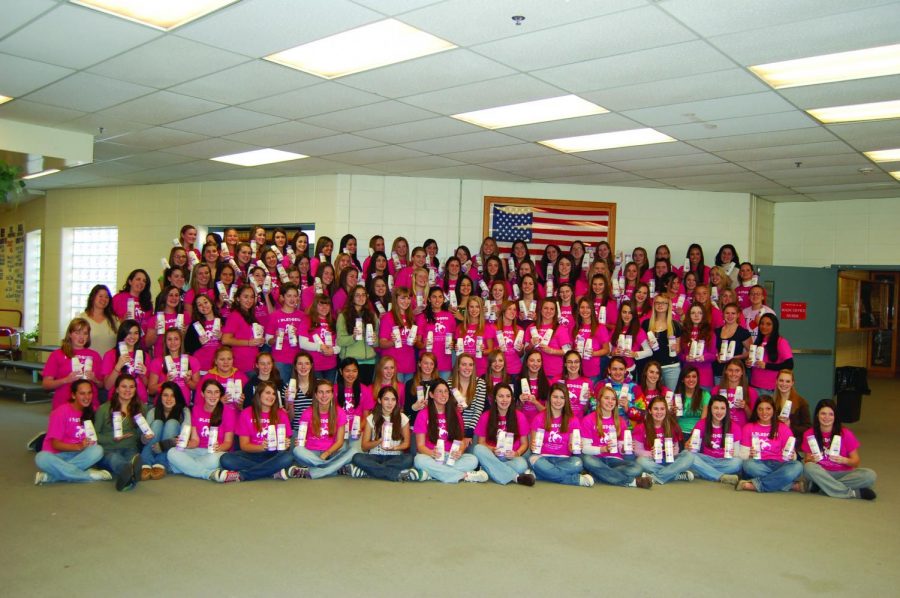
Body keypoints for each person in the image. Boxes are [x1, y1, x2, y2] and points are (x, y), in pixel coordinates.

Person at [216, 381, 296, 482]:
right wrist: (262, 447)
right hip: (252, 454)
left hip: (274, 455)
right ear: (259, 394)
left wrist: (285, 444)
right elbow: (244, 445)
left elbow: (285, 445)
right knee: (226, 459)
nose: (271, 396)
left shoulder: (281, 414)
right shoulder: (247, 413)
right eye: (267, 393)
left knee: (287, 457)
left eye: (273, 394)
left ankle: (243, 475)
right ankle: (273, 470)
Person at [34, 380, 109, 486]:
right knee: (41, 458)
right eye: (82, 393)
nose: (87, 397)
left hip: (80, 455)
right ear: (73, 395)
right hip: (58, 456)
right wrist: (78, 446)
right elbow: (55, 444)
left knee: (98, 450)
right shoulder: (60, 412)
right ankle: (87, 475)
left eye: (89, 393)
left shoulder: (94, 411)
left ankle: (51, 477)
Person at [410, 379, 484, 483]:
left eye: (445, 391)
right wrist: (432, 453)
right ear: (431, 394)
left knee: (472, 460)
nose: (443, 394)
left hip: (451, 457)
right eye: (439, 391)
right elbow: (420, 446)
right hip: (432, 456)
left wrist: (460, 451)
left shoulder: (455, 414)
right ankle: (465, 476)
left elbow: (461, 440)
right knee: (419, 460)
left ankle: (432, 474)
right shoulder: (423, 414)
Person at [801, 399, 877, 500]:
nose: (827, 417)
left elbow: (856, 462)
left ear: (835, 416)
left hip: (842, 473)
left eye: (831, 414)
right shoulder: (809, 434)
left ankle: (822, 486)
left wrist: (844, 460)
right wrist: (811, 459)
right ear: (817, 415)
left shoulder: (846, 433)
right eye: (823, 413)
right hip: (821, 472)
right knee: (808, 468)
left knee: (870, 475)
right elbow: (807, 461)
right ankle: (851, 493)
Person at [579, 385, 650, 489]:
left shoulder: (620, 421)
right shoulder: (588, 419)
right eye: (606, 398)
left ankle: (597, 475)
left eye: (613, 399)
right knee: (586, 459)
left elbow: (621, 449)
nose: (610, 401)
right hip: (596, 458)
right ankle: (631, 482)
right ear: (599, 400)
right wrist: (603, 449)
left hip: (615, 460)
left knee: (637, 468)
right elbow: (585, 448)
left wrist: (625, 449)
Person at [167, 379, 237, 482]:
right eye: (209, 392)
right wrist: (186, 444)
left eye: (216, 392)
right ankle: (208, 473)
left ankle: (183, 467)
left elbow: (228, 443)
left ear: (220, 394)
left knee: (214, 460)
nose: (213, 396)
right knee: (172, 452)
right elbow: (195, 441)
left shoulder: (228, 412)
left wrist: (219, 447)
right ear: (202, 394)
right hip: (197, 450)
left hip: (216, 452)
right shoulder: (196, 409)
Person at [528, 382, 592, 487]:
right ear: (550, 398)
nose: (558, 401)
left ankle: (540, 475)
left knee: (578, 462)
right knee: (532, 459)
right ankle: (574, 480)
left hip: (565, 459)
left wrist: (575, 447)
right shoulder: (539, 418)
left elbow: (572, 449)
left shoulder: (573, 420)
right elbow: (534, 449)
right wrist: (533, 445)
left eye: (562, 397)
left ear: (566, 399)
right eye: (555, 397)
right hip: (543, 458)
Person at [737, 396, 803, 493]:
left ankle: (756, 485)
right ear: (756, 411)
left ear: (773, 410)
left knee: (798, 466)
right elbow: (742, 455)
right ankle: (788, 485)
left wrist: (793, 455)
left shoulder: (783, 427)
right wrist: (749, 454)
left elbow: (792, 454)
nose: (764, 413)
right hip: (758, 463)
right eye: (760, 409)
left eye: (768, 409)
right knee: (747, 465)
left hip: (780, 464)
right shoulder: (748, 427)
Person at [292, 378, 356, 479]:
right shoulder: (307, 413)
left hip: (332, 452)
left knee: (353, 450)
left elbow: (339, 441)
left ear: (332, 394)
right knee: (297, 450)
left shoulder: (340, 412)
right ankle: (335, 467)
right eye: (320, 392)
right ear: (316, 395)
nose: (324, 396)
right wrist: (300, 441)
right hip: (312, 452)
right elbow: (301, 438)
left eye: (327, 392)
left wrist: (327, 453)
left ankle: (315, 471)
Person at [94, 374, 149, 491]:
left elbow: (140, 435)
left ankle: (128, 477)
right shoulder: (104, 409)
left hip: (130, 448)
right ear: (117, 389)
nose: (128, 390)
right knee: (115, 460)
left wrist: (145, 438)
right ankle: (129, 471)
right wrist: (112, 439)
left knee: (134, 459)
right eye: (124, 386)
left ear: (135, 389)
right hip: (108, 449)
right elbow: (94, 436)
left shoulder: (141, 408)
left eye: (131, 387)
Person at [472, 383, 534, 486]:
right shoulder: (485, 416)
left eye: (508, 396)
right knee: (477, 449)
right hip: (492, 455)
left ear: (512, 398)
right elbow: (481, 442)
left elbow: (524, 444)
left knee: (522, 464)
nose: (504, 400)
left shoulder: (519, 416)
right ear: (495, 399)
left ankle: (489, 469)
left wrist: (517, 453)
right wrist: (492, 449)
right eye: (501, 396)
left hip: (511, 458)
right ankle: (515, 477)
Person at [349, 386, 414, 481]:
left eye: (393, 399)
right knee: (357, 457)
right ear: (379, 400)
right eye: (386, 399)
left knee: (409, 458)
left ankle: (370, 471)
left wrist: (394, 448)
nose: (390, 403)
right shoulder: (372, 418)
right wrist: (379, 441)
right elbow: (364, 446)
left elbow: (406, 443)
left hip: (395, 456)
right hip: (374, 456)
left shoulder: (402, 417)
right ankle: (393, 474)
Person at [42, 318, 103, 409]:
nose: (81, 337)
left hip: (89, 406)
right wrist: (66, 379)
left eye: (85, 333)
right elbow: (46, 384)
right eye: (77, 333)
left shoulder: (95, 355)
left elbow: (102, 384)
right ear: (70, 334)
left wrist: (94, 379)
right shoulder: (57, 354)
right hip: (64, 404)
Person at [633, 396, 695, 485]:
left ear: (666, 411)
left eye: (662, 409)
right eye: (655, 409)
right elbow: (637, 451)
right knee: (641, 461)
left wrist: (674, 451)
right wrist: (651, 454)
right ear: (650, 411)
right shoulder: (641, 427)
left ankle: (656, 477)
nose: (659, 412)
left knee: (689, 455)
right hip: (652, 461)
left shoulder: (672, 426)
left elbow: (676, 448)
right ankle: (675, 474)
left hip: (669, 460)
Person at [139, 381, 190, 480]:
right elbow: (142, 439)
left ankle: (160, 463)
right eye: (165, 395)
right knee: (157, 423)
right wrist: (145, 438)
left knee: (171, 423)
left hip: (172, 449)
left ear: (177, 398)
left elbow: (185, 437)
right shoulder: (153, 411)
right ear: (160, 397)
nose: (169, 399)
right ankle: (145, 463)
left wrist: (165, 444)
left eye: (172, 396)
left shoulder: (184, 411)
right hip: (152, 447)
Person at [687, 395, 743, 485]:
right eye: (716, 408)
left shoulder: (735, 427)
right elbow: (693, 449)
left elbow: (737, 454)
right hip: (706, 460)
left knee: (738, 462)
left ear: (727, 410)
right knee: (687, 455)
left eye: (722, 408)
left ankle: (704, 472)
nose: (719, 411)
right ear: (710, 409)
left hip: (724, 461)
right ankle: (720, 476)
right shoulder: (702, 424)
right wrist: (689, 447)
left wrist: (733, 454)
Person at [336, 285, 379, 384]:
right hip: (350, 362)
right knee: (349, 394)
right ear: (352, 297)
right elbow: (340, 341)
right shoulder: (343, 316)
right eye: (357, 295)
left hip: (369, 361)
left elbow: (377, 342)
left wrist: (374, 340)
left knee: (365, 394)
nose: (361, 298)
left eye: (363, 295)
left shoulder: (372, 315)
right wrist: (353, 337)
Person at [221, 284, 264, 374]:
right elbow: (225, 340)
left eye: (252, 297)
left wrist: (260, 341)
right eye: (245, 297)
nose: (249, 300)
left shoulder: (250, 315)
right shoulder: (235, 315)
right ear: (238, 298)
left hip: (253, 362)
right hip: (242, 364)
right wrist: (249, 342)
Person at [642, 294, 682, 390]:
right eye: (658, 303)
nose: (660, 305)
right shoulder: (646, 324)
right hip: (652, 369)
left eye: (664, 303)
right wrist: (647, 345)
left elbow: (678, 350)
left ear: (668, 306)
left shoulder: (675, 325)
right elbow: (642, 347)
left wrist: (675, 348)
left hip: (671, 367)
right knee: (652, 397)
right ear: (654, 305)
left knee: (668, 397)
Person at [378, 287, 417, 383]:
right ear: (396, 299)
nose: (406, 301)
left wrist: (415, 341)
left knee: (406, 396)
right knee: (395, 395)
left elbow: (411, 342)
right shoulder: (387, 317)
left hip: (409, 364)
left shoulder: (411, 318)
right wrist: (392, 342)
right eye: (403, 298)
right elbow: (381, 343)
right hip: (393, 366)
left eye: (408, 298)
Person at [749, 314, 794, 394]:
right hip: (754, 385)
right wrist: (749, 363)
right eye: (762, 323)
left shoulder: (781, 342)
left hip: (769, 388)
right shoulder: (759, 340)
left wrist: (766, 366)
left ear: (775, 326)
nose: (764, 326)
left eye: (768, 324)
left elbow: (789, 365)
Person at [525, 298, 570, 379]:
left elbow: (567, 351)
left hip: (553, 372)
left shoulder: (561, 329)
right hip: (534, 372)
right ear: (540, 310)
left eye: (552, 309)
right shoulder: (531, 327)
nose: (548, 311)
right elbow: (526, 350)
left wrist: (551, 351)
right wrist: (531, 344)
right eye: (545, 308)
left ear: (555, 312)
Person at [79, 284, 119, 356]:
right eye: (100, 296)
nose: (104, 299)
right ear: (93, 297)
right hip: (88, 363)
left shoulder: (114, 320)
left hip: (109, 364)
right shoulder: (82, 318)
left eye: (106, 297)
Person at [773, 369, 811, 442]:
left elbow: (807, 428)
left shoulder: (801, 402)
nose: (784, 384)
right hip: (776, 442)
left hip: (794, 443)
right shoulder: (772, 401)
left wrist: (790, 426)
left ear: (792, 383)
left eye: (788, 381)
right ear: (776, 381)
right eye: (781, 380)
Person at [516, 349, 549, 419]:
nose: (535, 364)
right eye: (532, 360)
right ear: (526, 362)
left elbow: (548, 413)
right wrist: (521, 403)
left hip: (540, 423)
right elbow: (515, 413)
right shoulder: (518, 381)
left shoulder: (547, 382)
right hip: (522, 422)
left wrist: (535, 402)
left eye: (538, 361)